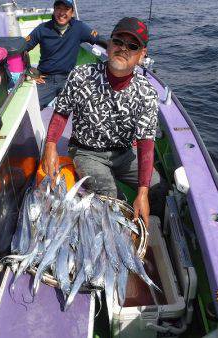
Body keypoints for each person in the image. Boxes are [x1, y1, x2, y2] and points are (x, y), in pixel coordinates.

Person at [42, 17, 167, 227]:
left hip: (124, 154)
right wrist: (51, 146)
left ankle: (153, 234)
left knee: (158, 188)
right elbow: (61, 112)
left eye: (132, 46)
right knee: (111, 198)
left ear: (142, 55)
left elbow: (146, 143)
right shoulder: (81, 75)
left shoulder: (147, 93)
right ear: (109, 45)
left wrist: (143, 192)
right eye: (118, 42)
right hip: (86, 152)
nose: (123, 49)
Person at [25, 0, 107, 109]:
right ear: (54, 11)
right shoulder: (42, 29)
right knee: (30, 108)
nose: (62, 13)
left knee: (91, 107)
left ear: (72, 13)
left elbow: (100, 40)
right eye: (59, 8)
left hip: (70, 78)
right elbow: (22, 49)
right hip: (46, 78)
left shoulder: (79, 27)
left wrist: (120, 48)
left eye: (66, 9)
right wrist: (29, 70)